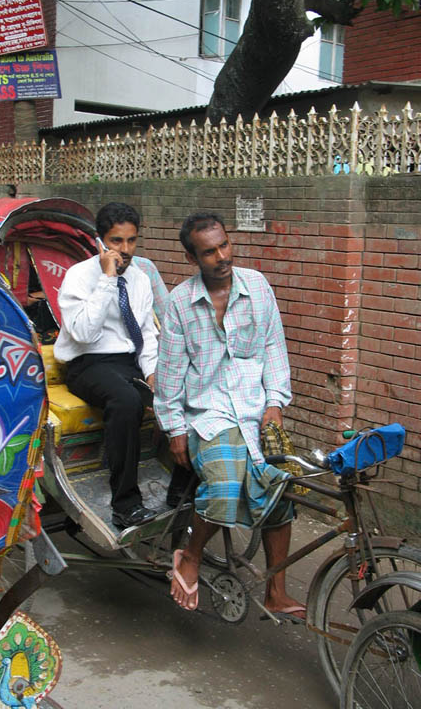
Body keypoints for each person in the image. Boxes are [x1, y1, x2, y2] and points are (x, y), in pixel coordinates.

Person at [154, 211, 305, 619]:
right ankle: (191, 556)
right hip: (209, 415)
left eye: (224, 245)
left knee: (279, 488)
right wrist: (175, 430)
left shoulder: (257, 287)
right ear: (192, 258)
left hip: (257, 411)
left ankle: (276, 591)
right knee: (224, 486)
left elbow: (274, 347)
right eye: (209, 252)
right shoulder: (180, 303)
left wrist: (275, 403)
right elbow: (170, 375)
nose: (222, 257)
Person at [54, 202, 159, 529]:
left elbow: (146, 333)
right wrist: (107, 278)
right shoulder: (78, 276)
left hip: (127, 362)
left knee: (177, 393)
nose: (125, 249)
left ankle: (180, 492)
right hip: (87, 363)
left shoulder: (140, 279)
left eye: (131, 240)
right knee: (126, 401)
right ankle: (126, 505)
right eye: (116, 241)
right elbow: (84, 333)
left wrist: (153, 373)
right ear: (99, 242)